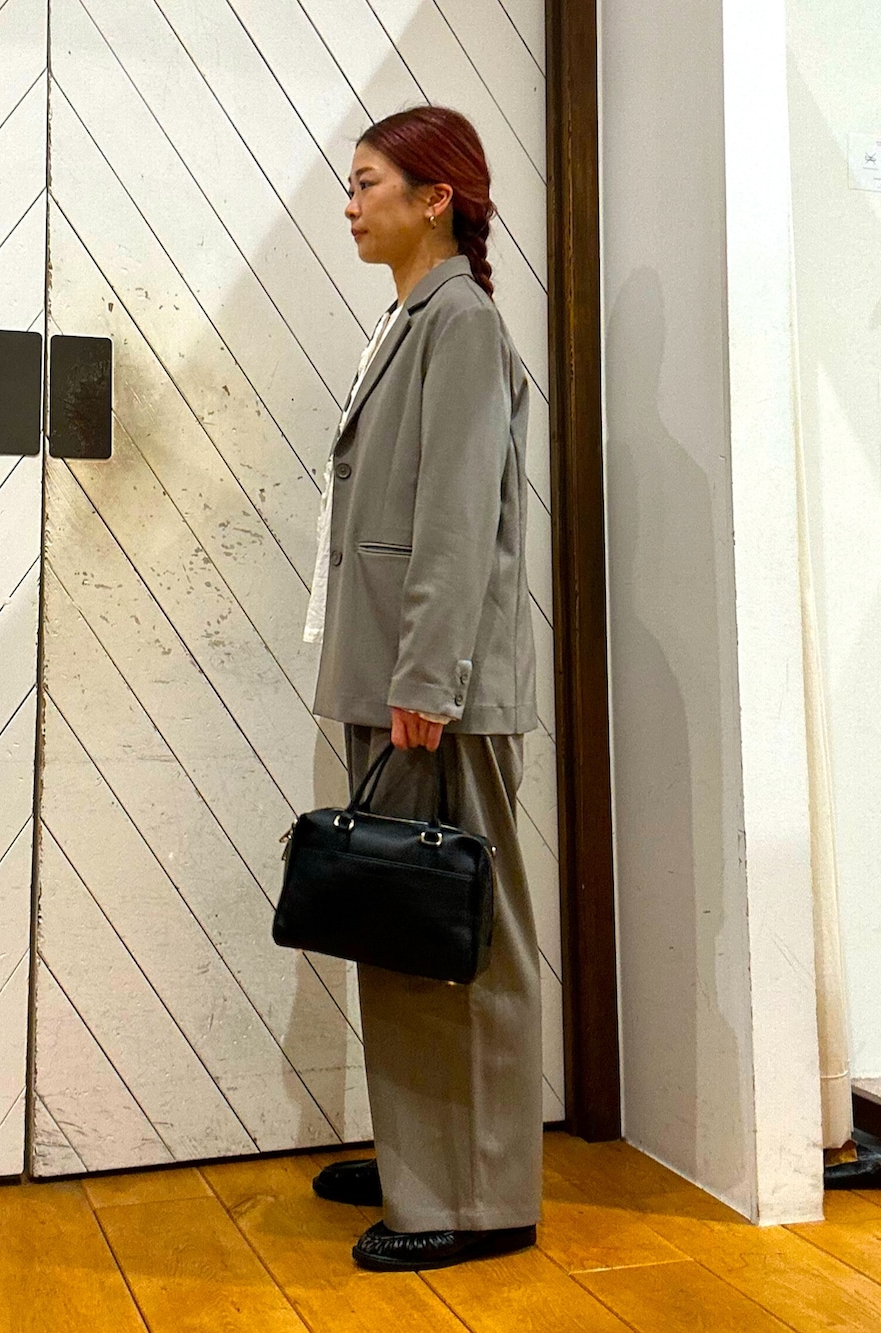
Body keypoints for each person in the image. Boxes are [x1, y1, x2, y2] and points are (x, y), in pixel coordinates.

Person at [303, 105, 542, 1273]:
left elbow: (454, 515)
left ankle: (478, 1194)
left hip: (433, 685)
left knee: (463, 938)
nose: (350, 204)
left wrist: (427, 678)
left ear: (434, 196)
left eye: (367, 183)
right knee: (402, 929)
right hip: (398, 674)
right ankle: (422, 1154)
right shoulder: (413, 319)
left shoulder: (460, 324)